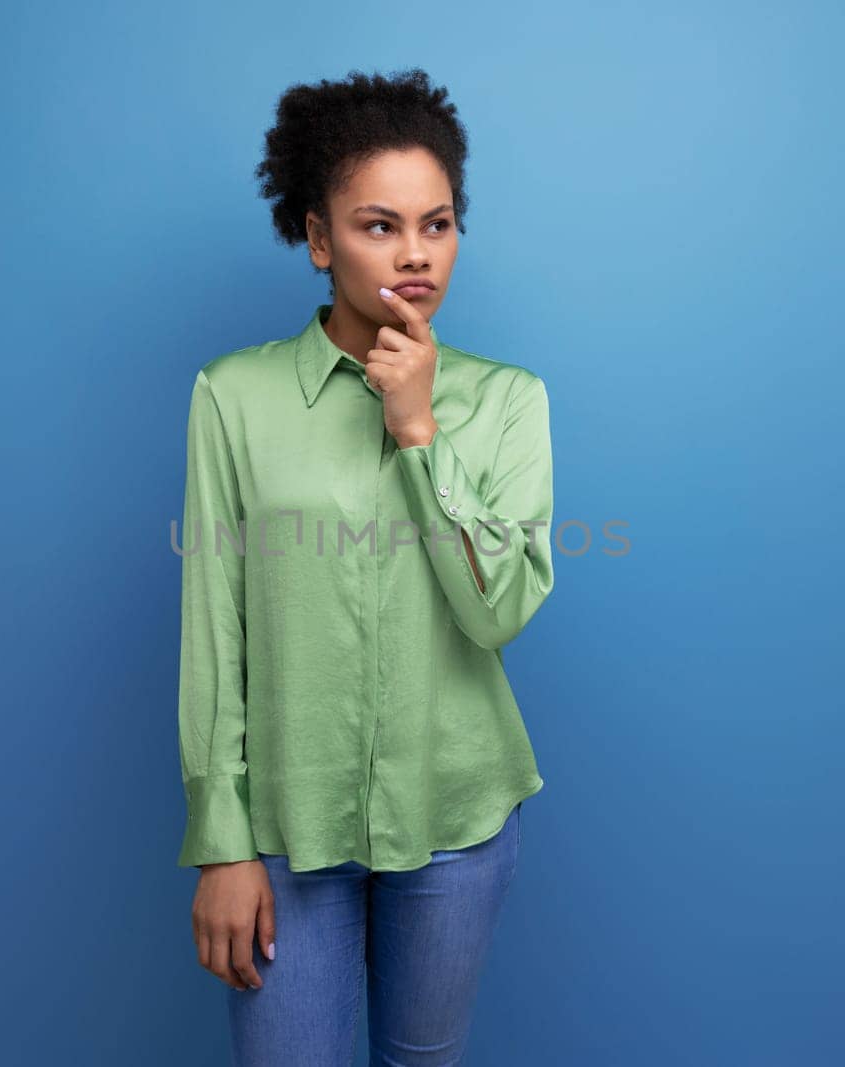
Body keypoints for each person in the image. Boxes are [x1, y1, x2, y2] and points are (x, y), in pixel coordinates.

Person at [176, 68, 556, 1066]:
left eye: (436, 224)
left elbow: (499, 611)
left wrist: (419, 431)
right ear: (316, 237)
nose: (415, 253)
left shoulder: (508, 400)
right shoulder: (233, 397)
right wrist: (223, 837)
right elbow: (215, 622)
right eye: (378, 224)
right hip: (286, 824)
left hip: (456, 814)